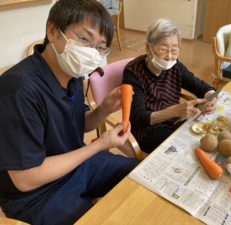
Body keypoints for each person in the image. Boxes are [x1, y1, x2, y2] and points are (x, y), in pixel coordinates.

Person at [0, 0, 139, 224]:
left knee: (139, 176)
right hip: (37, 197)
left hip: (76, 166)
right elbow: (26, 179)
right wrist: (100, 144)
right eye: (84, 39)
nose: (91, 53)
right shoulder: (18, 90)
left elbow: (79, 124)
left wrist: (103, 109)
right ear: (53, 31)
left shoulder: (72, 75)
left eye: (100, 47)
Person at [123, 18, 217, 154]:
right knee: (185, 148)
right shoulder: (133, 72)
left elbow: (200, 86)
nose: (169, 57)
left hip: (173, 121)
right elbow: (138, 118)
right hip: (147, 130)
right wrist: (174, 111)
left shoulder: (175, 66)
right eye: (163, 49)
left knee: (204, 137)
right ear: (148, 48)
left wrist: (210, 96)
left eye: (174, 50)